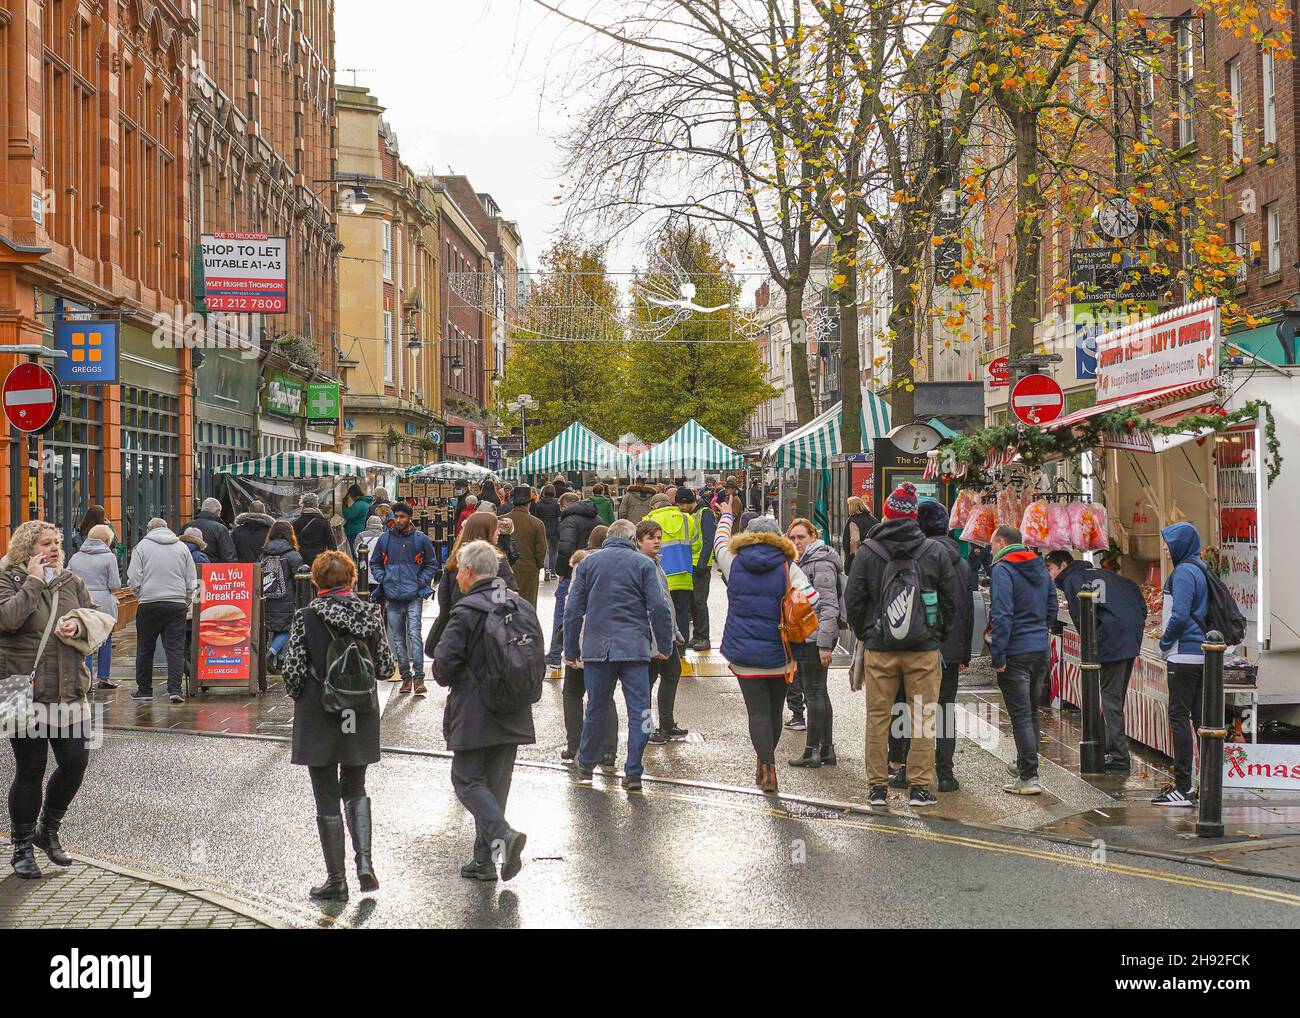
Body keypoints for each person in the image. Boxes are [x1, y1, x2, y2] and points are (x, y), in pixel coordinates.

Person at [281, 551, 392, 900]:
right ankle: (365, 864)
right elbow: (387, 668)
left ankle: (336, 880)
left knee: (326, 794)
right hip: (359, 713)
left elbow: (293, 672)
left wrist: (302, 693)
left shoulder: (307, 616)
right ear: (352, 580)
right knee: (356, 786)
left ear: (316, 582)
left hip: (320, 713)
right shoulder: (372, 615)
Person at [844, 483, 959, 808]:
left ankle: (878, 789)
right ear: (914, 518)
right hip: (923, 650)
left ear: (886, 514)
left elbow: (852, 600)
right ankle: (920, 788)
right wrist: (936, 634)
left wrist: (868, 632)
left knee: (878, 718)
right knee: (923, 718)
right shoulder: (933, 551)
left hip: (880, 648)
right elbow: (952, 601)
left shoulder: (869, 551)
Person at [1, 521, 100, 878]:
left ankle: (48, 829)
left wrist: (79, 624)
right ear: (28, 548)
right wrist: (34, 581)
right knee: (30, 769)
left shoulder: (71, 580)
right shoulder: (7, 578)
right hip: (19, 689)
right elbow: (8, 620)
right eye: (47, 542)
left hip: (70, 686)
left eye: (57, 541)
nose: (56, 547)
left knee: (76, 762)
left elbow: (98, 617)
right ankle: (22, 846)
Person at [433, 539, 534, 882]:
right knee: (494, 788)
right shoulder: (519, 604)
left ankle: (503, 838)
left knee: (467, 780)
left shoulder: (467, 610)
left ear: (470, 571)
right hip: (514, 707)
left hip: (476, 711)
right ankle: (487, 861)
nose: (458, 577)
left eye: (460, 570)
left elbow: (443, 668)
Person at [713, 499, 818, 793]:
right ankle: (766, 762)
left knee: (756, 712)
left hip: (744, 654)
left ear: (745, 536)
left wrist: (725, 516)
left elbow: (720, 540)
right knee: (774, 711)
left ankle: (767, 766)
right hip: (781, 652)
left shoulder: (732, 562)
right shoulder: (789, 568)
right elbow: (813, 599)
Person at [563, 518, 673, 792]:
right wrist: (664, 646)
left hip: (597, 649)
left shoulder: (588, 563)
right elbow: (659, 608)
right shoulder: (644, 564)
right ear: (633, 538)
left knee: (596, 708)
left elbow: (573, 609)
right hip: (635, 649)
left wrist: (571, 649)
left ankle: (586, 765)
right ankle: (633, 772)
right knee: (641, 712)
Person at [886, 500, 974, 792]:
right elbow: (967, 609)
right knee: (945, 710)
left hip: (920, 647)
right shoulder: (961, 562)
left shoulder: (919, 558)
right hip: (950, 651)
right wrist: (963, 652)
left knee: (913, 710)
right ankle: (946, 773)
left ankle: (908, 770)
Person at [1046, 549, 1147, 773]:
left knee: (1110, 698)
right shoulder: (1099, 572)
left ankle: (1119, 755)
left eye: (1050, 569)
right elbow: (1136, 594)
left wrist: (1093, 645)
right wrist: (1135, 624)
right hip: (1129, 636)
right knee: (1115, 696)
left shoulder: (1073, 580)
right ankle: (1112, 747)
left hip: (1112, 639)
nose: (1049, 575)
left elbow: (1083, 618)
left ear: (1063, 565)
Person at [988, 524, 1056, 796]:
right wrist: (1040, 629)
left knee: (1021, 716)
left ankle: (1028, 776)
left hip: (1015, 650)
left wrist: (998, 655)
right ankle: (1024, 764)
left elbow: (1001, 614)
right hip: (1040, 648)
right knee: (1030, 710)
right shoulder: (1039, 565)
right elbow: (1051, 605)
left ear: (1002, 542)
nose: (991, 550)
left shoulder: (1003, 569)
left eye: (992, 545)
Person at [1154, 521, 1210, 807]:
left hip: (1184, 654)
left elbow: (1180, 614)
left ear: (1181, 544)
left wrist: (1165, 642)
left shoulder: (1185, 572)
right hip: (1200, 654)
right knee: (1202, 721)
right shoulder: (1200, 568)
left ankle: (1183, 787)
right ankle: (1209, 784)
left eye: (1169, 541)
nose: (1165, 547)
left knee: (1179, 717)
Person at [784, 518, 844, 769]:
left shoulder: (819, 562)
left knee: (814, 692)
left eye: (802, 537)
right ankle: (826, 749)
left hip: (816, 636)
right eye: (793, 538)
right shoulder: (808, 560)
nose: (797, 542)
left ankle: (812, 751)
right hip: (813, 635)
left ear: (813, 536)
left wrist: (824, 644)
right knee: (819, 691)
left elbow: (829, 606)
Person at [425, 512, 518, 661]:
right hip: (489, 640)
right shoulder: (497, 562)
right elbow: (507, 601)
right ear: (485, 531)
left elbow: (444, 604)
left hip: (459, 638)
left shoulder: (454, 562)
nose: (498, 532)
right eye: (495, 529)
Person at [559, 549, 619, 767]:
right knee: (604, 697)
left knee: (572, 694)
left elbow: (571, 614)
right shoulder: (612, 573)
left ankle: (574, 745)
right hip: (604, 647)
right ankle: (609, 751)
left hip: (582, 644)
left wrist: (569, 648)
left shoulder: (580, 571)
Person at [369, 502, 437, 695]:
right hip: (393, 594)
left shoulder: (420, 539)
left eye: (402, 517)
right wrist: (384, 578)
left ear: (409, 517)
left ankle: (418, 678)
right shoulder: (385, 539)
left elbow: (431, 563)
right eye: (396, 516)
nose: (398, 520)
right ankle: (406, 678)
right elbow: (375, 562)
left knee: (414, 635)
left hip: (413, 594)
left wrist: (420, 580)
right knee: (399, 639)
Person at [127, 518, 197, 703]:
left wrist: (141, 595)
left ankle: (144, 690)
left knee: (145, 648)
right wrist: (186, 598)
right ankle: (175, 689)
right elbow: (191, 577)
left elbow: (134, 577)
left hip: (149, 602)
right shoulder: (181, 547)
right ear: (168, 528)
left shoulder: (141, 547)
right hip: (176, 603)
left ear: (148, 530)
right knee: (175, 648)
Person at [637, 519, 688, 743]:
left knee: (672, 673)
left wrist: (674, 631)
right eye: (651, 538)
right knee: (646, 683)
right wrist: (658, 638)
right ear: (638, 541)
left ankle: (667, 723)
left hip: (664, 633)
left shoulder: (655, 563)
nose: (657, 541)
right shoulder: (642, 565)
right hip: (651, 636)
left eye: (659, 537)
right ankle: (646, 728)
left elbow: (666, 602)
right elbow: (652, 606)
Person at [547, 492, 601, 668]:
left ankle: (555, 654)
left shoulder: (569, 520)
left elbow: (565, 548)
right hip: (596, 573)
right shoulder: (598, 519)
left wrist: (561, 571)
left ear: (564, 506)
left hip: (572, 573)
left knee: (563, 613)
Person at [67, 523, 122, 690]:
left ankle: (87, 679)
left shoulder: (76, 557)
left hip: (81, 601)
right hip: (103, 603)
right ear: (106, 540)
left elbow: (68, 578)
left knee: (86, 640)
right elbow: (114, 584)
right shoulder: (109, 557)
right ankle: (104, 678)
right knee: (105, 639)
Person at [645, 487, 702, 644]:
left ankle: (665, 647)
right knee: (682, 613)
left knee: (662, 613)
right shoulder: (686, 519)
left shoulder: (648, 521)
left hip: (660, 577)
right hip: (684, 575)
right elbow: (697, 546)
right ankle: (681, 649)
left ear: (653, 506)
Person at [261, 521, 307, 666]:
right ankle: (271, 653)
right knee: (287, 627)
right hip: (285, 597)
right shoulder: (292, 555)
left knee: (276, 627)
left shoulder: (264, 554)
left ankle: (280, 661)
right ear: (290, 534)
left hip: (266, 598)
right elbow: (300, 578)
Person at [506, 486, 547, 606]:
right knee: (528, 605)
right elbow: (541, 549)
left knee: (507, 605)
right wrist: (538, 565)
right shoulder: (537, 523)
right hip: (529, 569)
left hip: (506, 568)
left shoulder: (503, 520)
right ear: (529, 503)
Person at [689, 494, 718, 650]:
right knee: (693, 602)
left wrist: (701, 563)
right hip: (693, 563)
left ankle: (704, 638)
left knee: (700, 602)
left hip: (701, 565)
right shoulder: (692, 514)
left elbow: (708, 539)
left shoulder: (705, 512)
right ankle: (697, 635)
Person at [185, 496, 236, 564]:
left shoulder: (186, 526)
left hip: (189, 569)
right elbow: (229, 557)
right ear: (217, 511)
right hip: (214, 571)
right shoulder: (220, 529)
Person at [292, 492, 336, 568]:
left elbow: (292, 542)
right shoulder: (323, 522)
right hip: (319, 558)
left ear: (303, 505)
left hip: (302, 558)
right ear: (316, 505)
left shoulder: (296, 523)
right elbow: (331, 543)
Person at [530, 484, 562, 579]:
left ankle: (546, 569)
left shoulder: (539, 504)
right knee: (554, 551)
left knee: (546, 551)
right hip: (555, 530)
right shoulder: (556, 504)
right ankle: (553, 572)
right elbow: (559, 517)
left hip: (543, 530)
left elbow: (536, 518)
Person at [841, 495, 880, 570]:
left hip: (860, 557)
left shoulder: (854, 521)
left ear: (852, 507)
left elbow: (855, 540)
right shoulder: (873, 519)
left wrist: (855, 556)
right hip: (874, 555)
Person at [353, 514, 386, 589]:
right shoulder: (385, 536)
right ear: (381, 525)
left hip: (364, 569)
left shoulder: (361, 535)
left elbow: (356, 551)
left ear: (367, 524)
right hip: (380, 569)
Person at [341, 483, 375, 556]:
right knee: (358, 550)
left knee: (353, 551)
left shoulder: (359, 504)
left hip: (353, 530)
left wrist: (344, 505)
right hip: (360, 528)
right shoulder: (366, 503)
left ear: (353, 495)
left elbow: (348, 515)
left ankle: (355, 565)